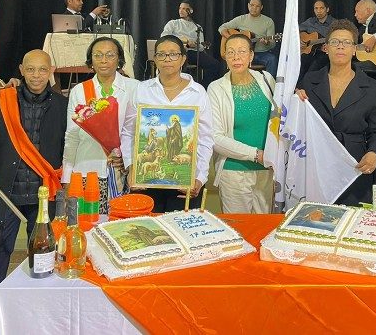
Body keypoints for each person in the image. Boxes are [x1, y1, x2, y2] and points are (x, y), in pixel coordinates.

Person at [0, 50, 67, 335]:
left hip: (45, 197)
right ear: (21, 70)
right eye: (31, 70)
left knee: (45, 260)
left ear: (51, 70)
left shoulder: (64, 105)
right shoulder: (0, 101)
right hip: (3, 193)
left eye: (42, 70)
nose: (36, 76)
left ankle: (38, 318)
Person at [296, 19, 376, 205]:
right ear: (326, 48)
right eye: (335, 42)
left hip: (354, 169)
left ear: (355, 49)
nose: (340, 47)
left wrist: (374, 154)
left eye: (347, 43)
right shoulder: (309, 81)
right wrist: (295, 101)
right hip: (317, 169)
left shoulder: (371, 87)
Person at [121, 35, 214, 212]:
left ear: (183, 59)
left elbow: (205, 139)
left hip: (186, 183)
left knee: (183, 233)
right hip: (145, 184)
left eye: (173, 54)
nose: (167, 59)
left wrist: (200, 178)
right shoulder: (142, 90)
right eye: (161, 54)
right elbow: (128, 133)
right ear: (154, 59)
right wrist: (131, 167)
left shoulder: (198, 93)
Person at [63, 37, 139, 214]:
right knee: (87, 225)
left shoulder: (134, 88)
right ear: (91, 60)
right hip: (86, 172)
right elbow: (72, 137)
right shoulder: (79, 90)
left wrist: (128, 158)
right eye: (98, 55)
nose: (103, 60)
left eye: (110, 55)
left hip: (121, 173)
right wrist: (67, 177)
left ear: (119, 59)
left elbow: (139, 132)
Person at [207, 33, 276, 213]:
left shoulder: (267, 79)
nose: (236, 57)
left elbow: (281, 117)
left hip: (267, 170)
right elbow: (215, 137)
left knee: (265, 228)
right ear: (225, 57)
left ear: (251, 55)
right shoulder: (216, 88)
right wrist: (256, 155)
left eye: (242, 51)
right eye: (230, 52)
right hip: (233, 171)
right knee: (239, 229)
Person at [161, 0, 221, 87]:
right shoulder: (173, 23)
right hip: (176, 52)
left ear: (191, 11)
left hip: (192, 52)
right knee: (182, 64)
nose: (181, 10)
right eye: (180, 8)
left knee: (214, 64)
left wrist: (195, 45)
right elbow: (164, 36)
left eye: (185, 9)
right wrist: (185, 41)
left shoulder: (197, 27)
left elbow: (201, 47)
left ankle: (203, 87)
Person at [218, 0, 278, 77]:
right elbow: (222, 28)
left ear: (261, 8)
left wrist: (267, 43)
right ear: (248, 5)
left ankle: (270, 87)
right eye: (252, 5)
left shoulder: (268, 21)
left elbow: (273, 44)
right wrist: (231, 39)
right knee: (233, 58)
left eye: (257, 6)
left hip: (261, 54)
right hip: (242, 54)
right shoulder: (241, 19)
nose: (254, 8)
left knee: (272, 59)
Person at [299, 0, 336, 80]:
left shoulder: (334, 23)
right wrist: (301, 40)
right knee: (300, 63)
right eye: (316, 8)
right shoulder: (310, 22)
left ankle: (307, 87)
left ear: (327, 9)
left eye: (321, 8)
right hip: (309, 52)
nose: (318, 11)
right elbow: (296, 30)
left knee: (314, 66)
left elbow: (339, 38)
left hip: (324, 53)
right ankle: (296, 88)